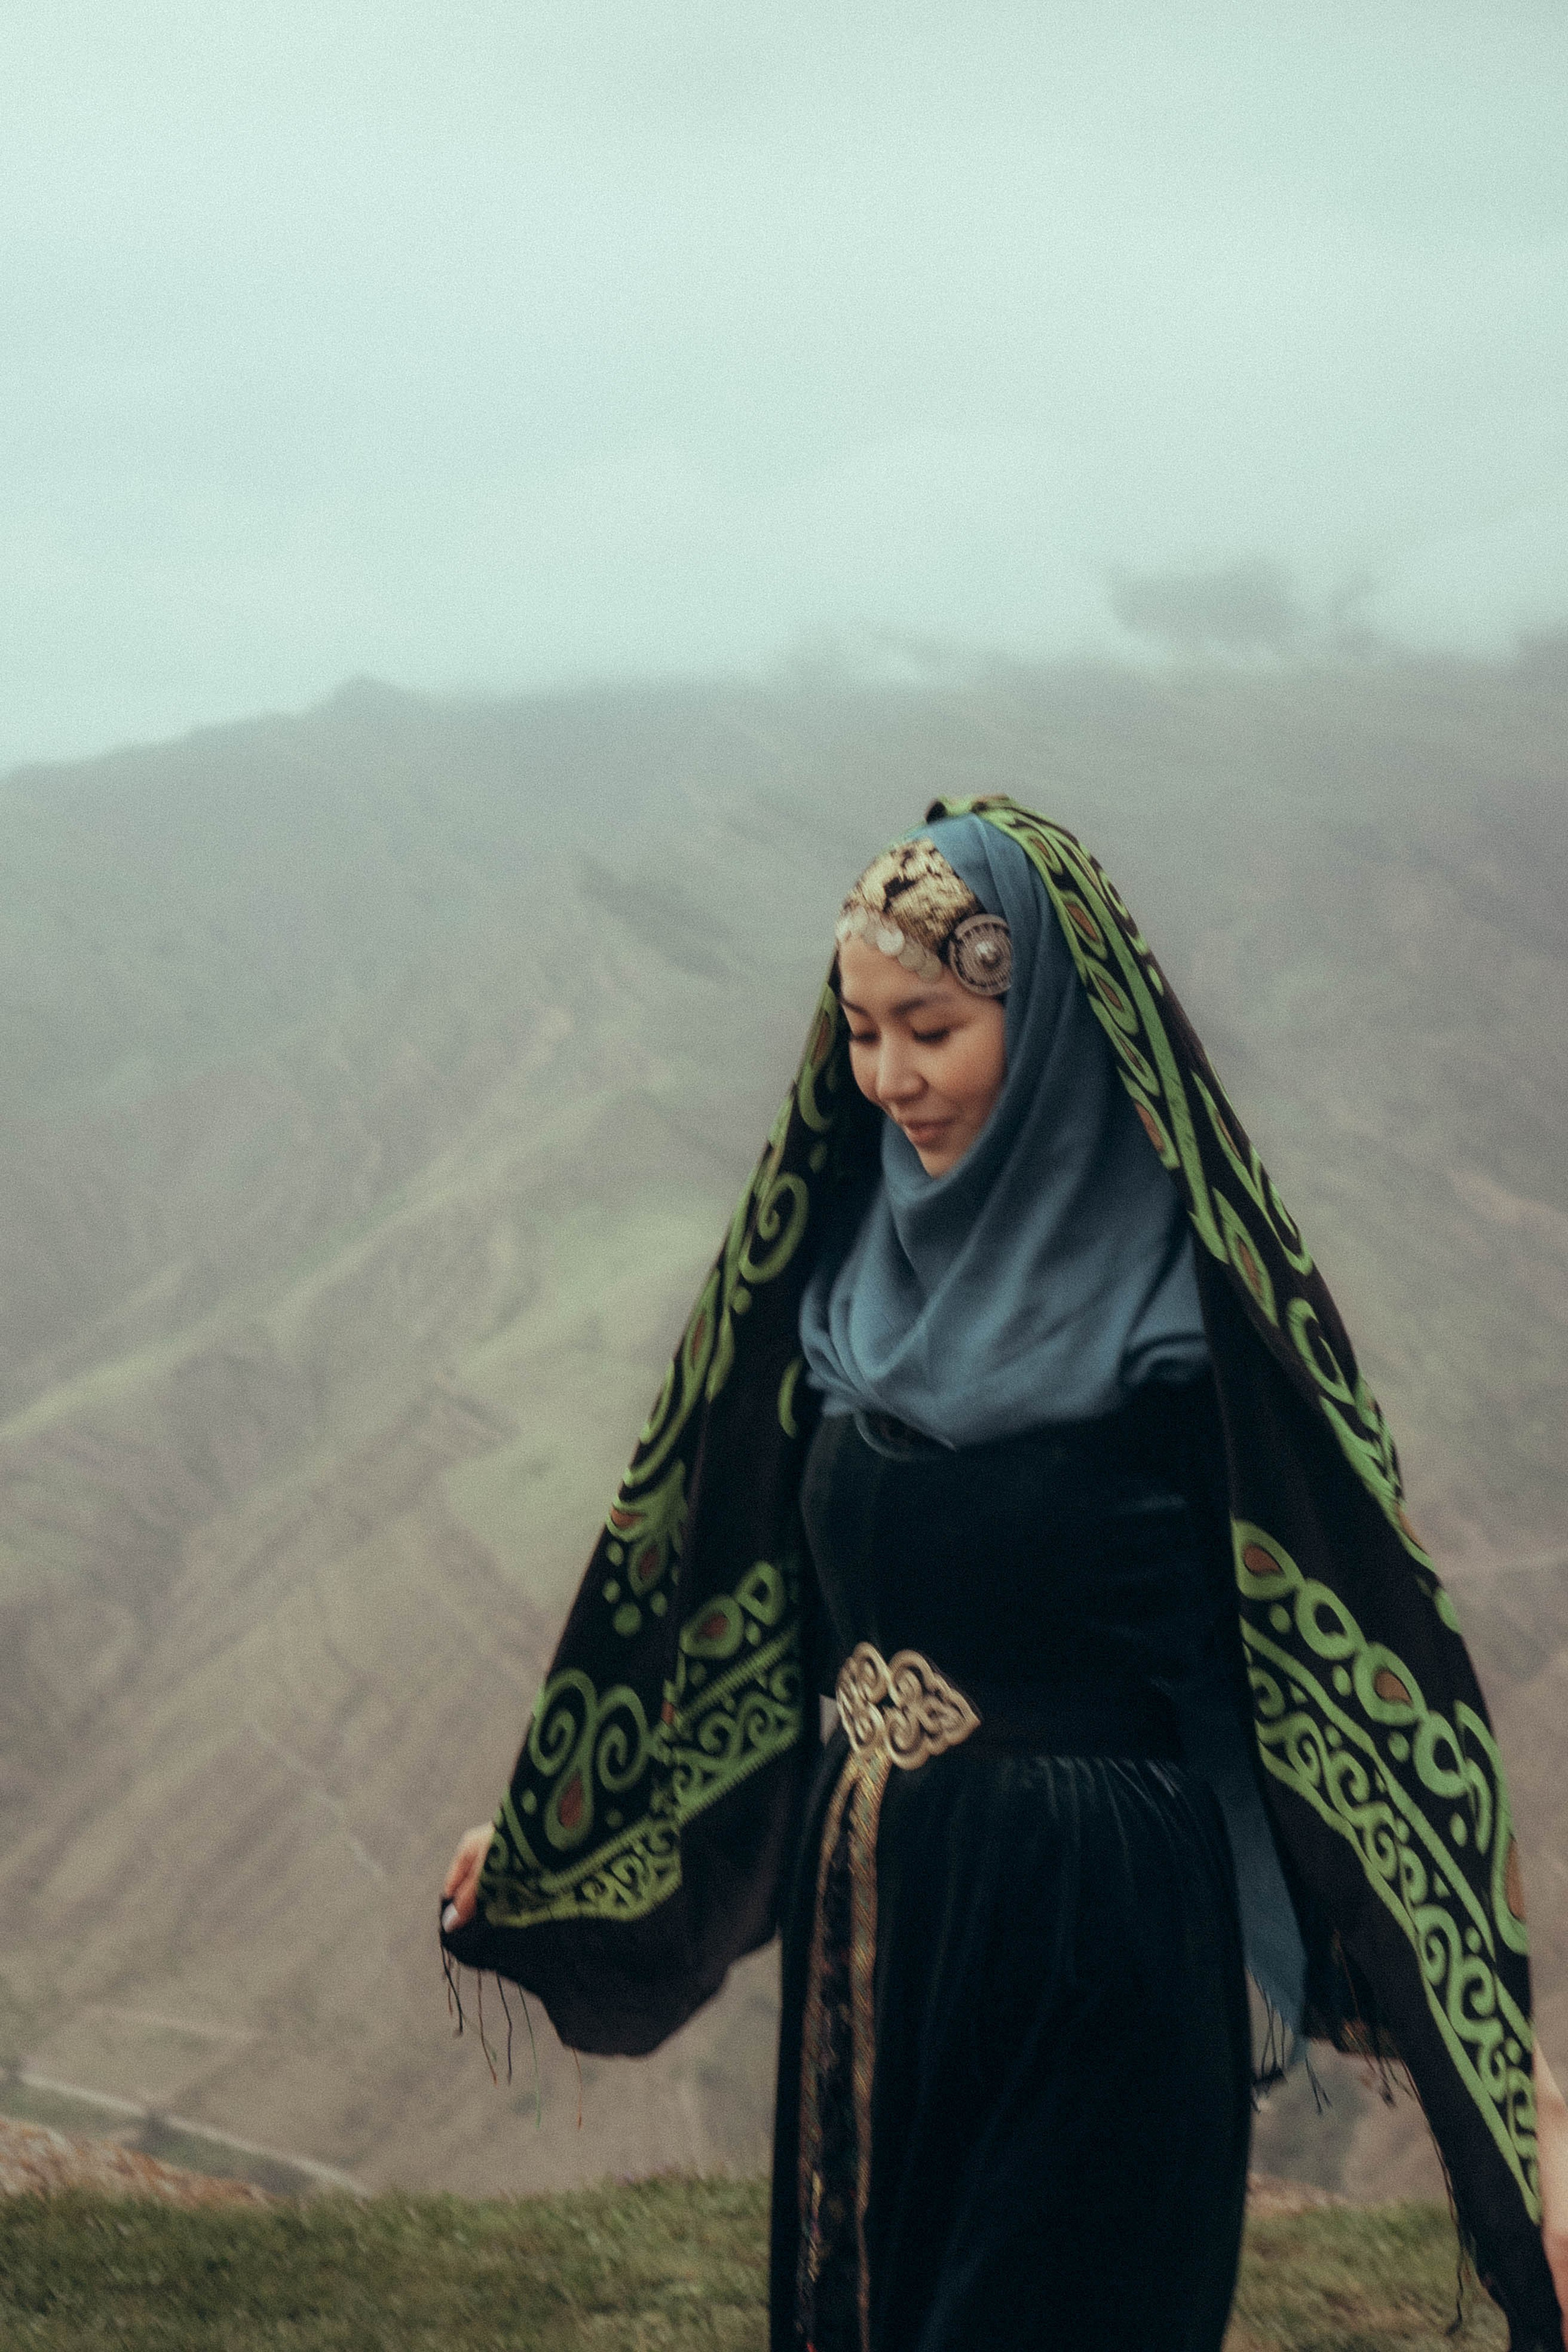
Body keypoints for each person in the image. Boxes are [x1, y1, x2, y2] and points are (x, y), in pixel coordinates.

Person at [443, 796, 1568, 2351]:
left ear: (1038, 1024)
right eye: (860, 1032)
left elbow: (1309, 1682)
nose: (891, 1079)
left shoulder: (1192, 1338)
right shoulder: (833, 1296)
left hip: (1099, 1950)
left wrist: (1506, 2088)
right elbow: (749, 1634)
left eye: (935, 1028)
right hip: (881, 1941)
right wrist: (564, 1835)